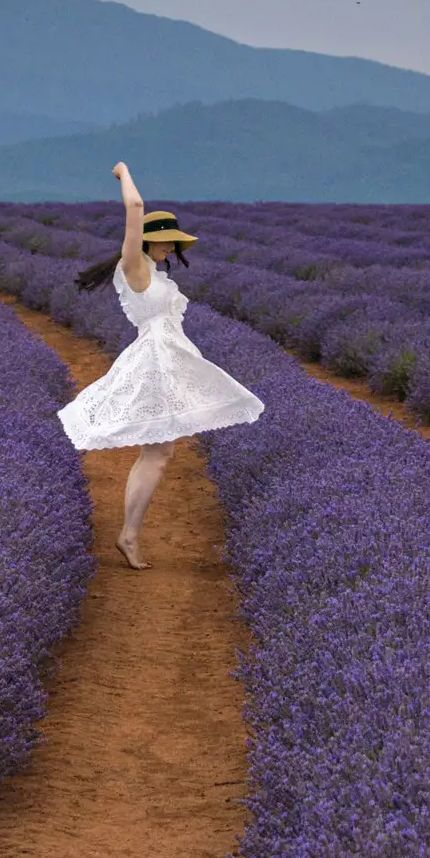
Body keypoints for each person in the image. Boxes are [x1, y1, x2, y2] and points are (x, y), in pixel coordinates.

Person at [57, 160, 264, 566]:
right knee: (156, 454)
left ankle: (130, 534)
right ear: (148, 241)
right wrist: (123, 173)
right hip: (155, 362)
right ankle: (129, 535)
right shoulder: (133, 266)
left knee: (160, 454)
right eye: (166, 241)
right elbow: (134, 209)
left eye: (174, 243)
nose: (172, 248)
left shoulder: (154, 273)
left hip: (168, 359)